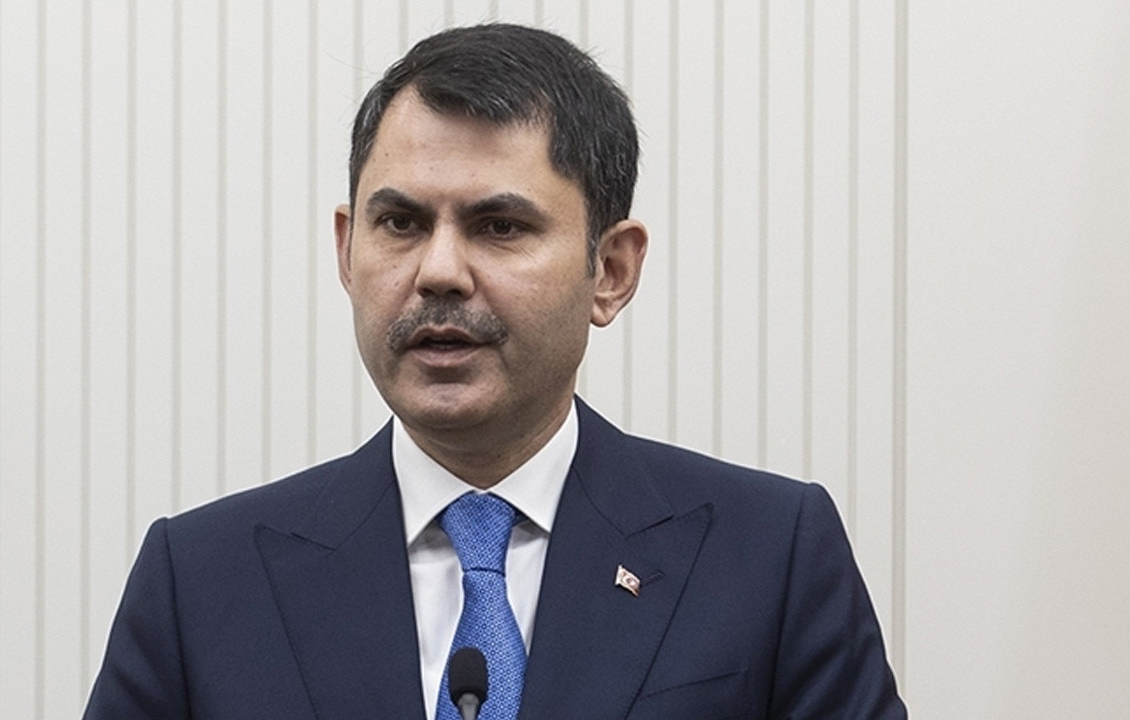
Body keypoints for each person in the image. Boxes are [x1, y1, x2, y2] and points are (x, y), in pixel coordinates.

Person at [84, 23, 906, 720]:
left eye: (500, 226)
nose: (439, 271)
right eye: (400, 223)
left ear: (611, 270)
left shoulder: (768, 556)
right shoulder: (203, 581)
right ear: (346, 250)